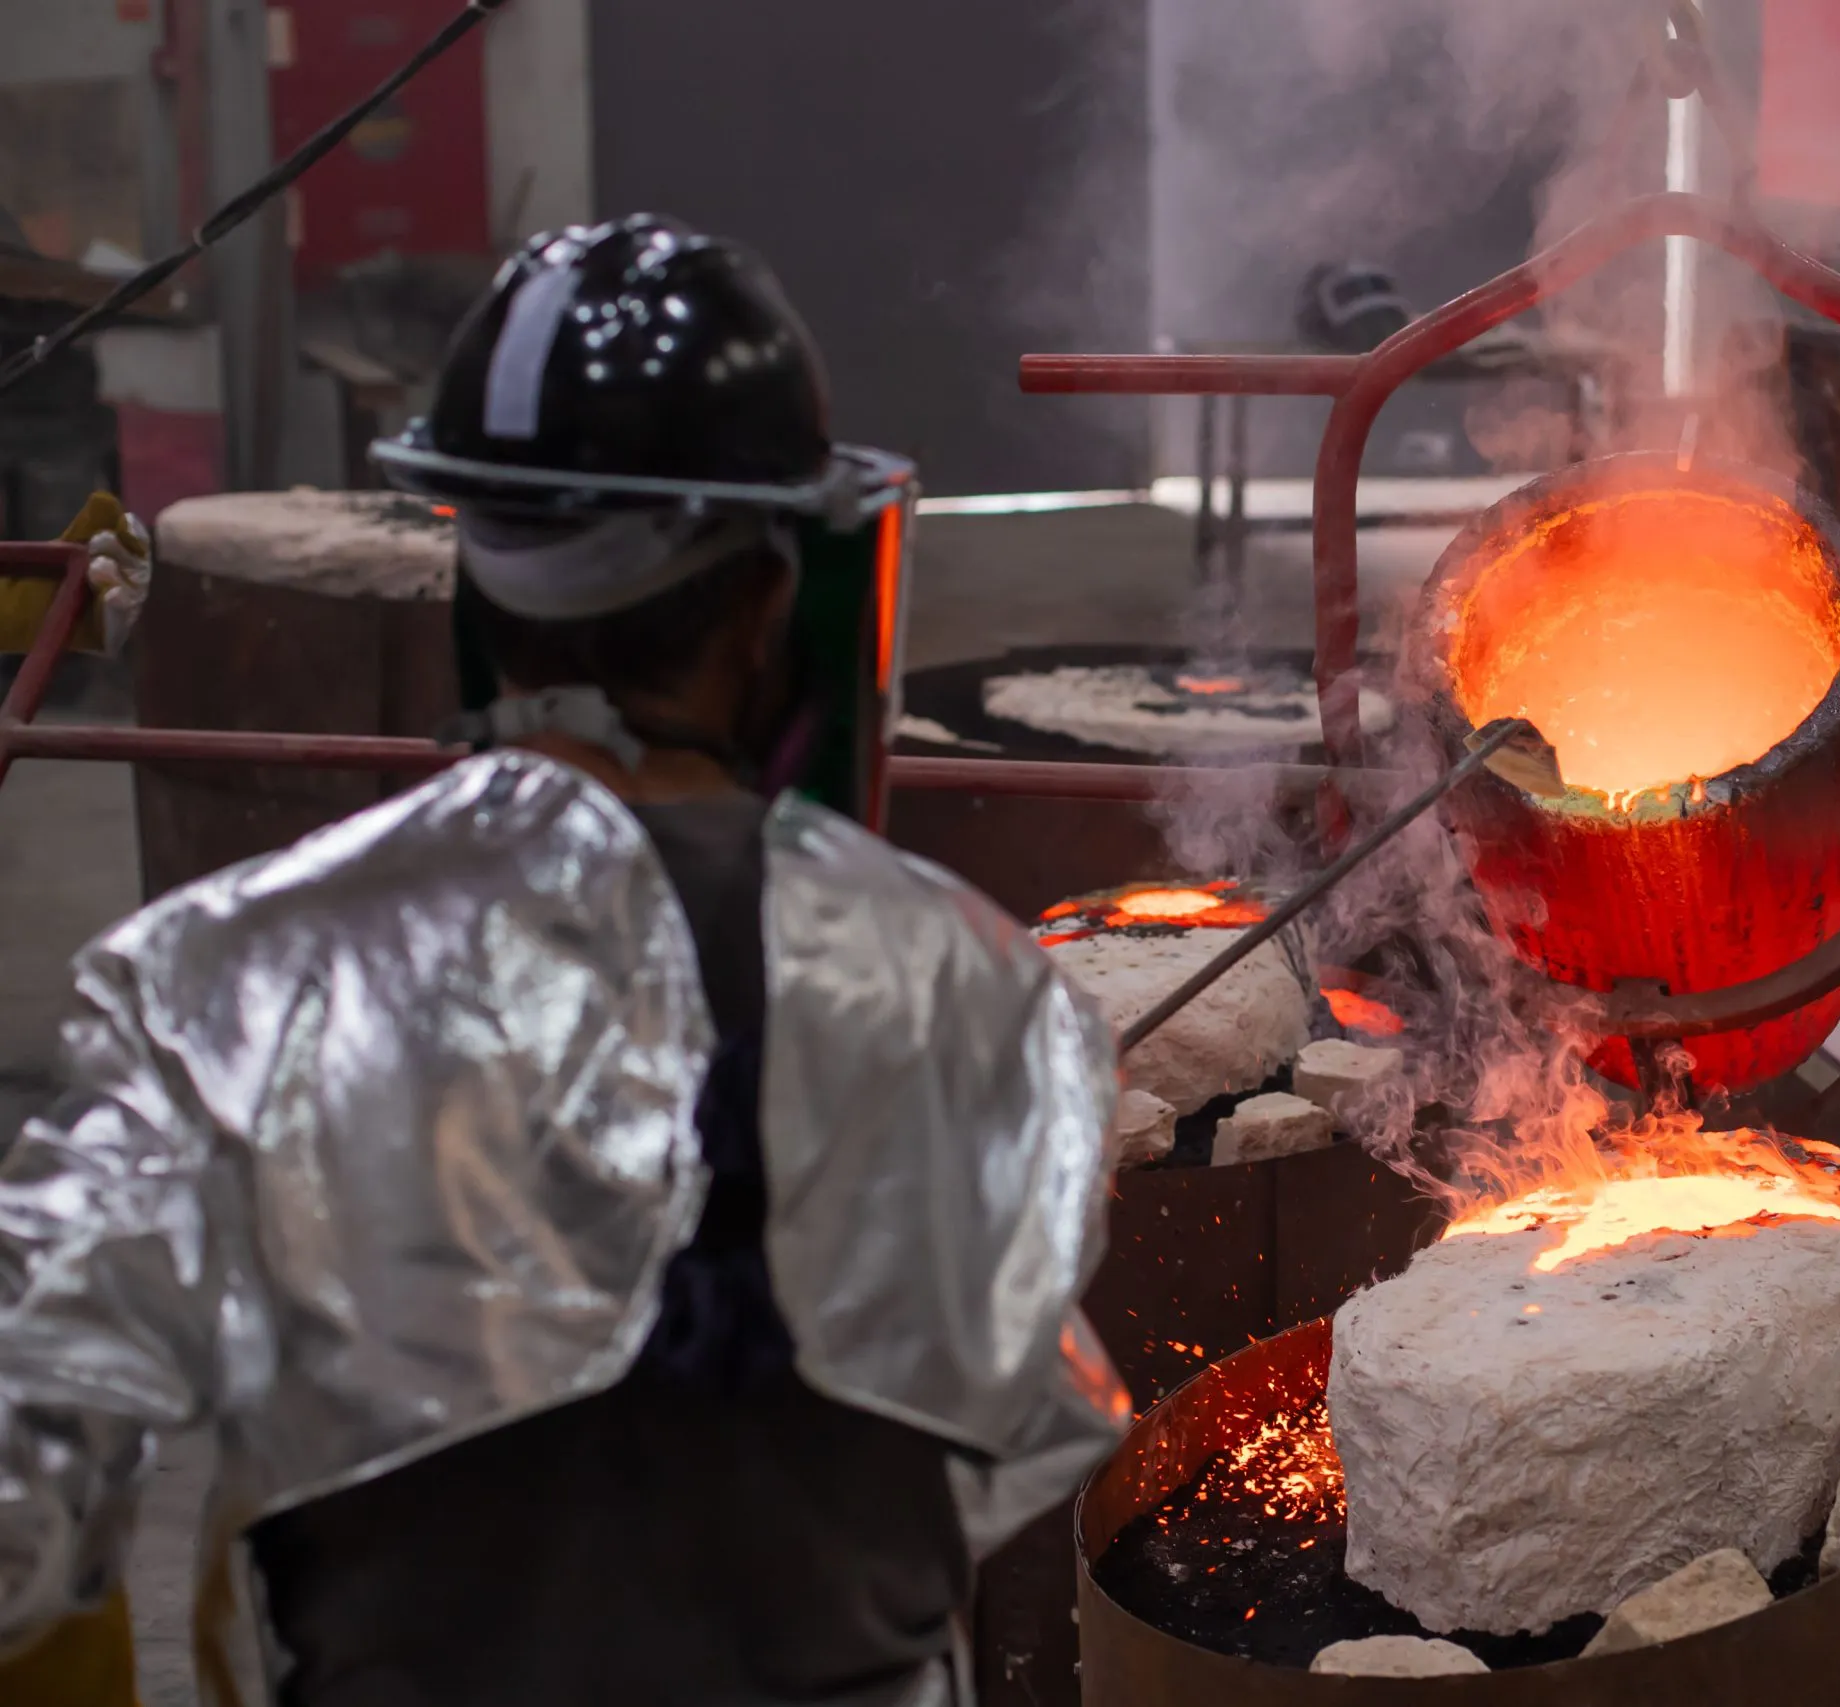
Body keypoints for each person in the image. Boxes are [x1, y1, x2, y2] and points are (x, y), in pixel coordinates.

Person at [0, 215, 1129, 1707]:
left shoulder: (215, 975)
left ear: (479, 582)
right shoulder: (983, 989)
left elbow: (26, 1483)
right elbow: (1005, 1429)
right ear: (778, 601)